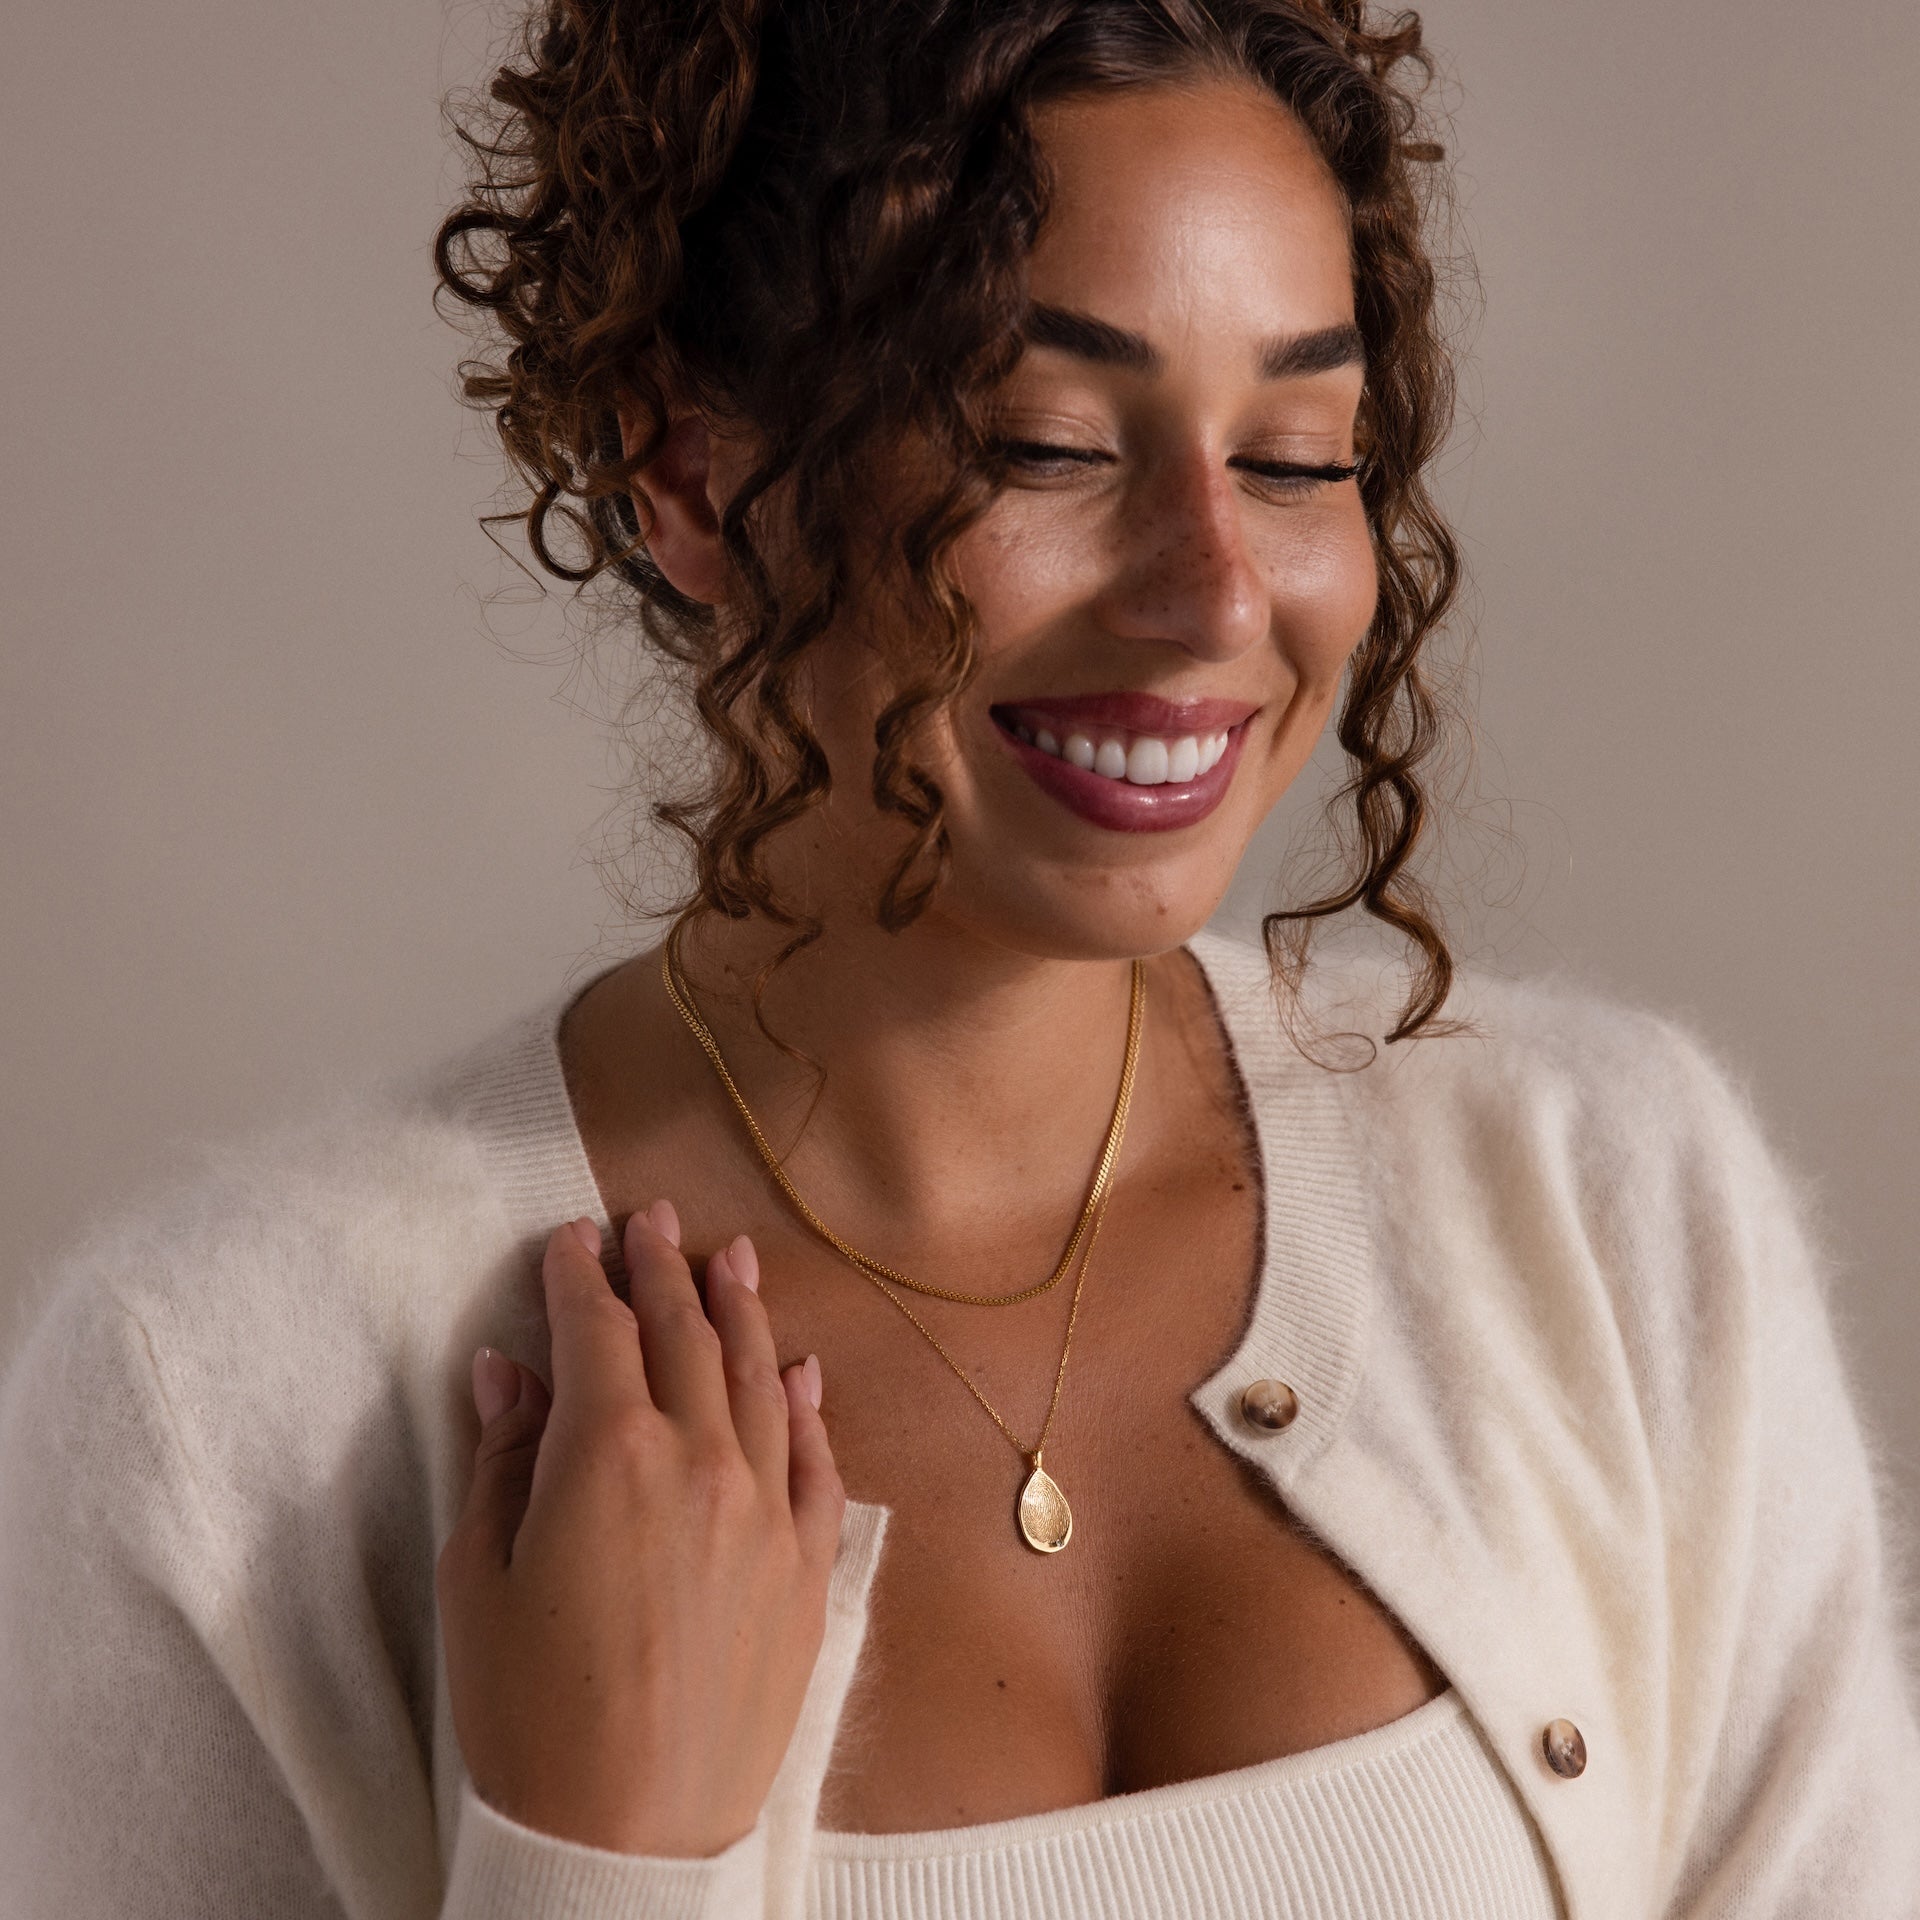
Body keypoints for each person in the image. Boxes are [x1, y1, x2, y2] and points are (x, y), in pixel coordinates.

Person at [3, 0, 1916, 1914]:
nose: (1216, 590)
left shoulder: (1603, 1203)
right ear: (689, 483)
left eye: (1295, 452)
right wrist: (591, 1866)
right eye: (1048, 441)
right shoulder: (222, 1413)